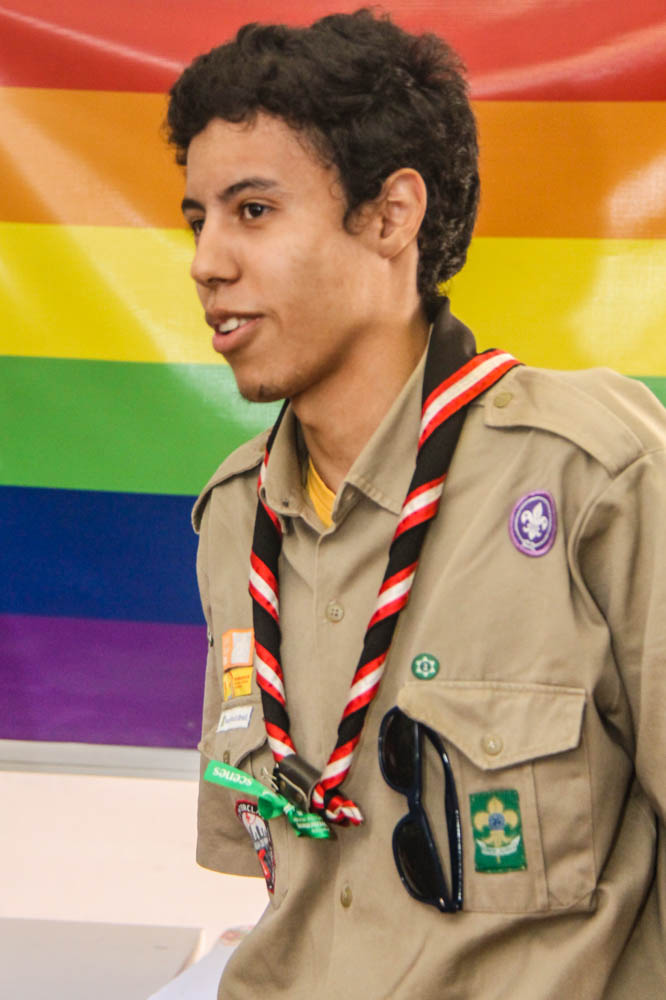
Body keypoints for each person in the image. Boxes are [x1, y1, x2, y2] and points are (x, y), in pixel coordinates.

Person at [166, 9, 666, 998]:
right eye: (197, 219)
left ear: (391, 216)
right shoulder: (235, 516)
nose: (206, 262)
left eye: (253, 210)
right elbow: (287, 876)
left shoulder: (588, 475)